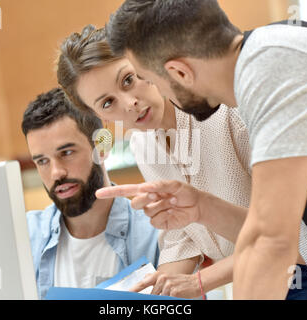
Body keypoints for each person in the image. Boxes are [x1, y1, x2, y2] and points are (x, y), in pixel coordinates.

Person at [99, 0, 307, 300]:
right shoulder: (263, 66)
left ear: (179, 72)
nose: (160, 95)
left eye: (151, 81)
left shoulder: (274, 65)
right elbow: (298, 239)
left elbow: (271, 240)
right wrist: (202, 207)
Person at [56, 25, 252, 299]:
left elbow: (295, 235)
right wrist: (152, 293)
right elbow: (183, 238)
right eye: (108, 103)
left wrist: (200, 281)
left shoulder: (228, 110)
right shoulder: (143, 144)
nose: (130, 103)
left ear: (143, 64)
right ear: (99, 116)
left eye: (128, 80)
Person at [21, 88, 159, 299]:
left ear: (102, 147)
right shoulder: (23, 238)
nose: (56, 172)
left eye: (66, 153)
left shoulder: (155, 233)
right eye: (42, 161)